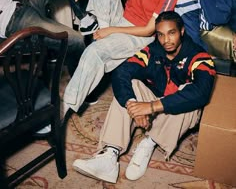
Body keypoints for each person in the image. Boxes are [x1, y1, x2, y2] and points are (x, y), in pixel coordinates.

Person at [72, 11, 216, 183]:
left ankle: (150, 142)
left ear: (182, 32)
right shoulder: (153, 50)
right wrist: (133, 106)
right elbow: (122, 72)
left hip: (175, 112)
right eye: (161, 35)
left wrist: (152, 106)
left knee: (190, 94)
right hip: (152, 101)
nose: (166, 40)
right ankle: (109, 155)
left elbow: (202, 92)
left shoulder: (199, 56)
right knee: (130, 85)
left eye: (172, 33)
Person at [62, 0, 200, 115]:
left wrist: (112, 30)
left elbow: (149, 30)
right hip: (121, 19)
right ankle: (100, 31)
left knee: (94, 52)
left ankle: (65, 108)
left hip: (138, 36)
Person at [0, 0, 85, 75]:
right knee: (77, 41)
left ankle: (85, 18)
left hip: (25, 6)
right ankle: (78, 86)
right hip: (16, 23)